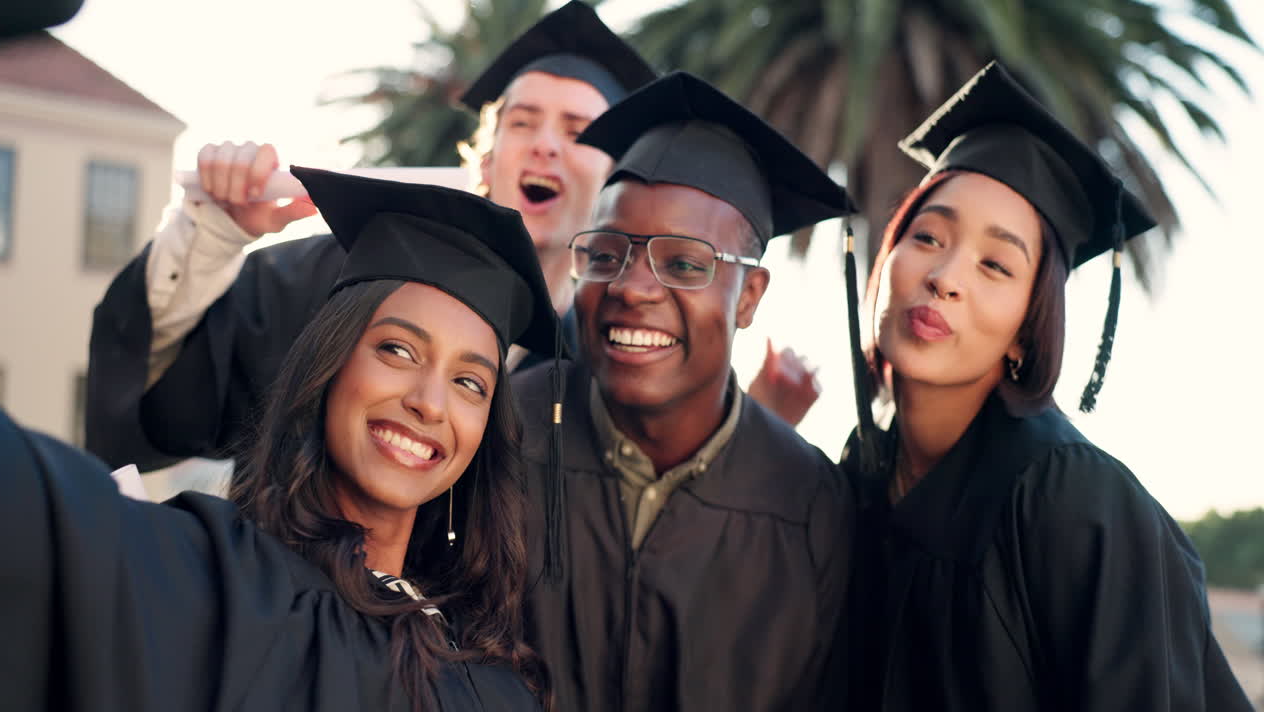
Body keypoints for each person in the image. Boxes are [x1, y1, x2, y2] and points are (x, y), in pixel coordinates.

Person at [85, 1, 817, 475]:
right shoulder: (348, 276)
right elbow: (159, 392)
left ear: (618, 179)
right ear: (486, 156)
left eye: (578, 130)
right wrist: (210, 236)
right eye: (521, 122)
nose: (544, 148)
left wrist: (760, 430)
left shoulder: (616, 363)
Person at [0, 167, 565, 712]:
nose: (429, 403)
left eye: (469, 383)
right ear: (329, 364)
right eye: (396, 349)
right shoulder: (200, 577)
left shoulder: (496, 688)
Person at [838, 61, 1256, 712]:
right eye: (927, 237)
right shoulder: (865, 472)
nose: (946, 276)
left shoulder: (1076, 500)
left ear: (1025, 333)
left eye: (996, 265)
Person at [513, 71, 857, 712]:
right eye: (607, 253)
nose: (632, 287)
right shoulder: (503, 434)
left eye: (684, 264)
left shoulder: (810, 504)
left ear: (749, 296)